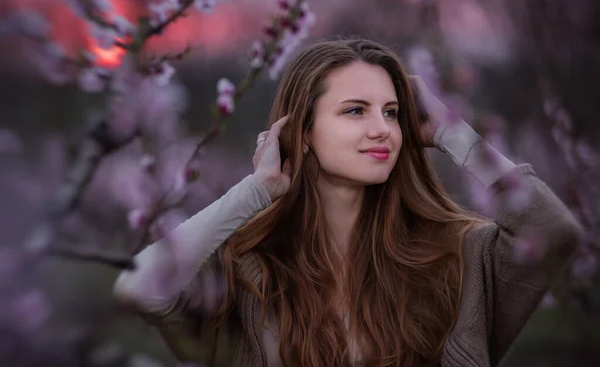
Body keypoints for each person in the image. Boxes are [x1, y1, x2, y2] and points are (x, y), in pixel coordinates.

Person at [113, 39, 581, 366]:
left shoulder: (454, 255)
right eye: (355, 110)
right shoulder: (247, 271)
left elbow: (553, 232)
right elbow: (138, 288)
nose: (382, 128)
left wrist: (450, 130)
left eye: (393, 112)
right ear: (304, 132)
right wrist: (257, 189)